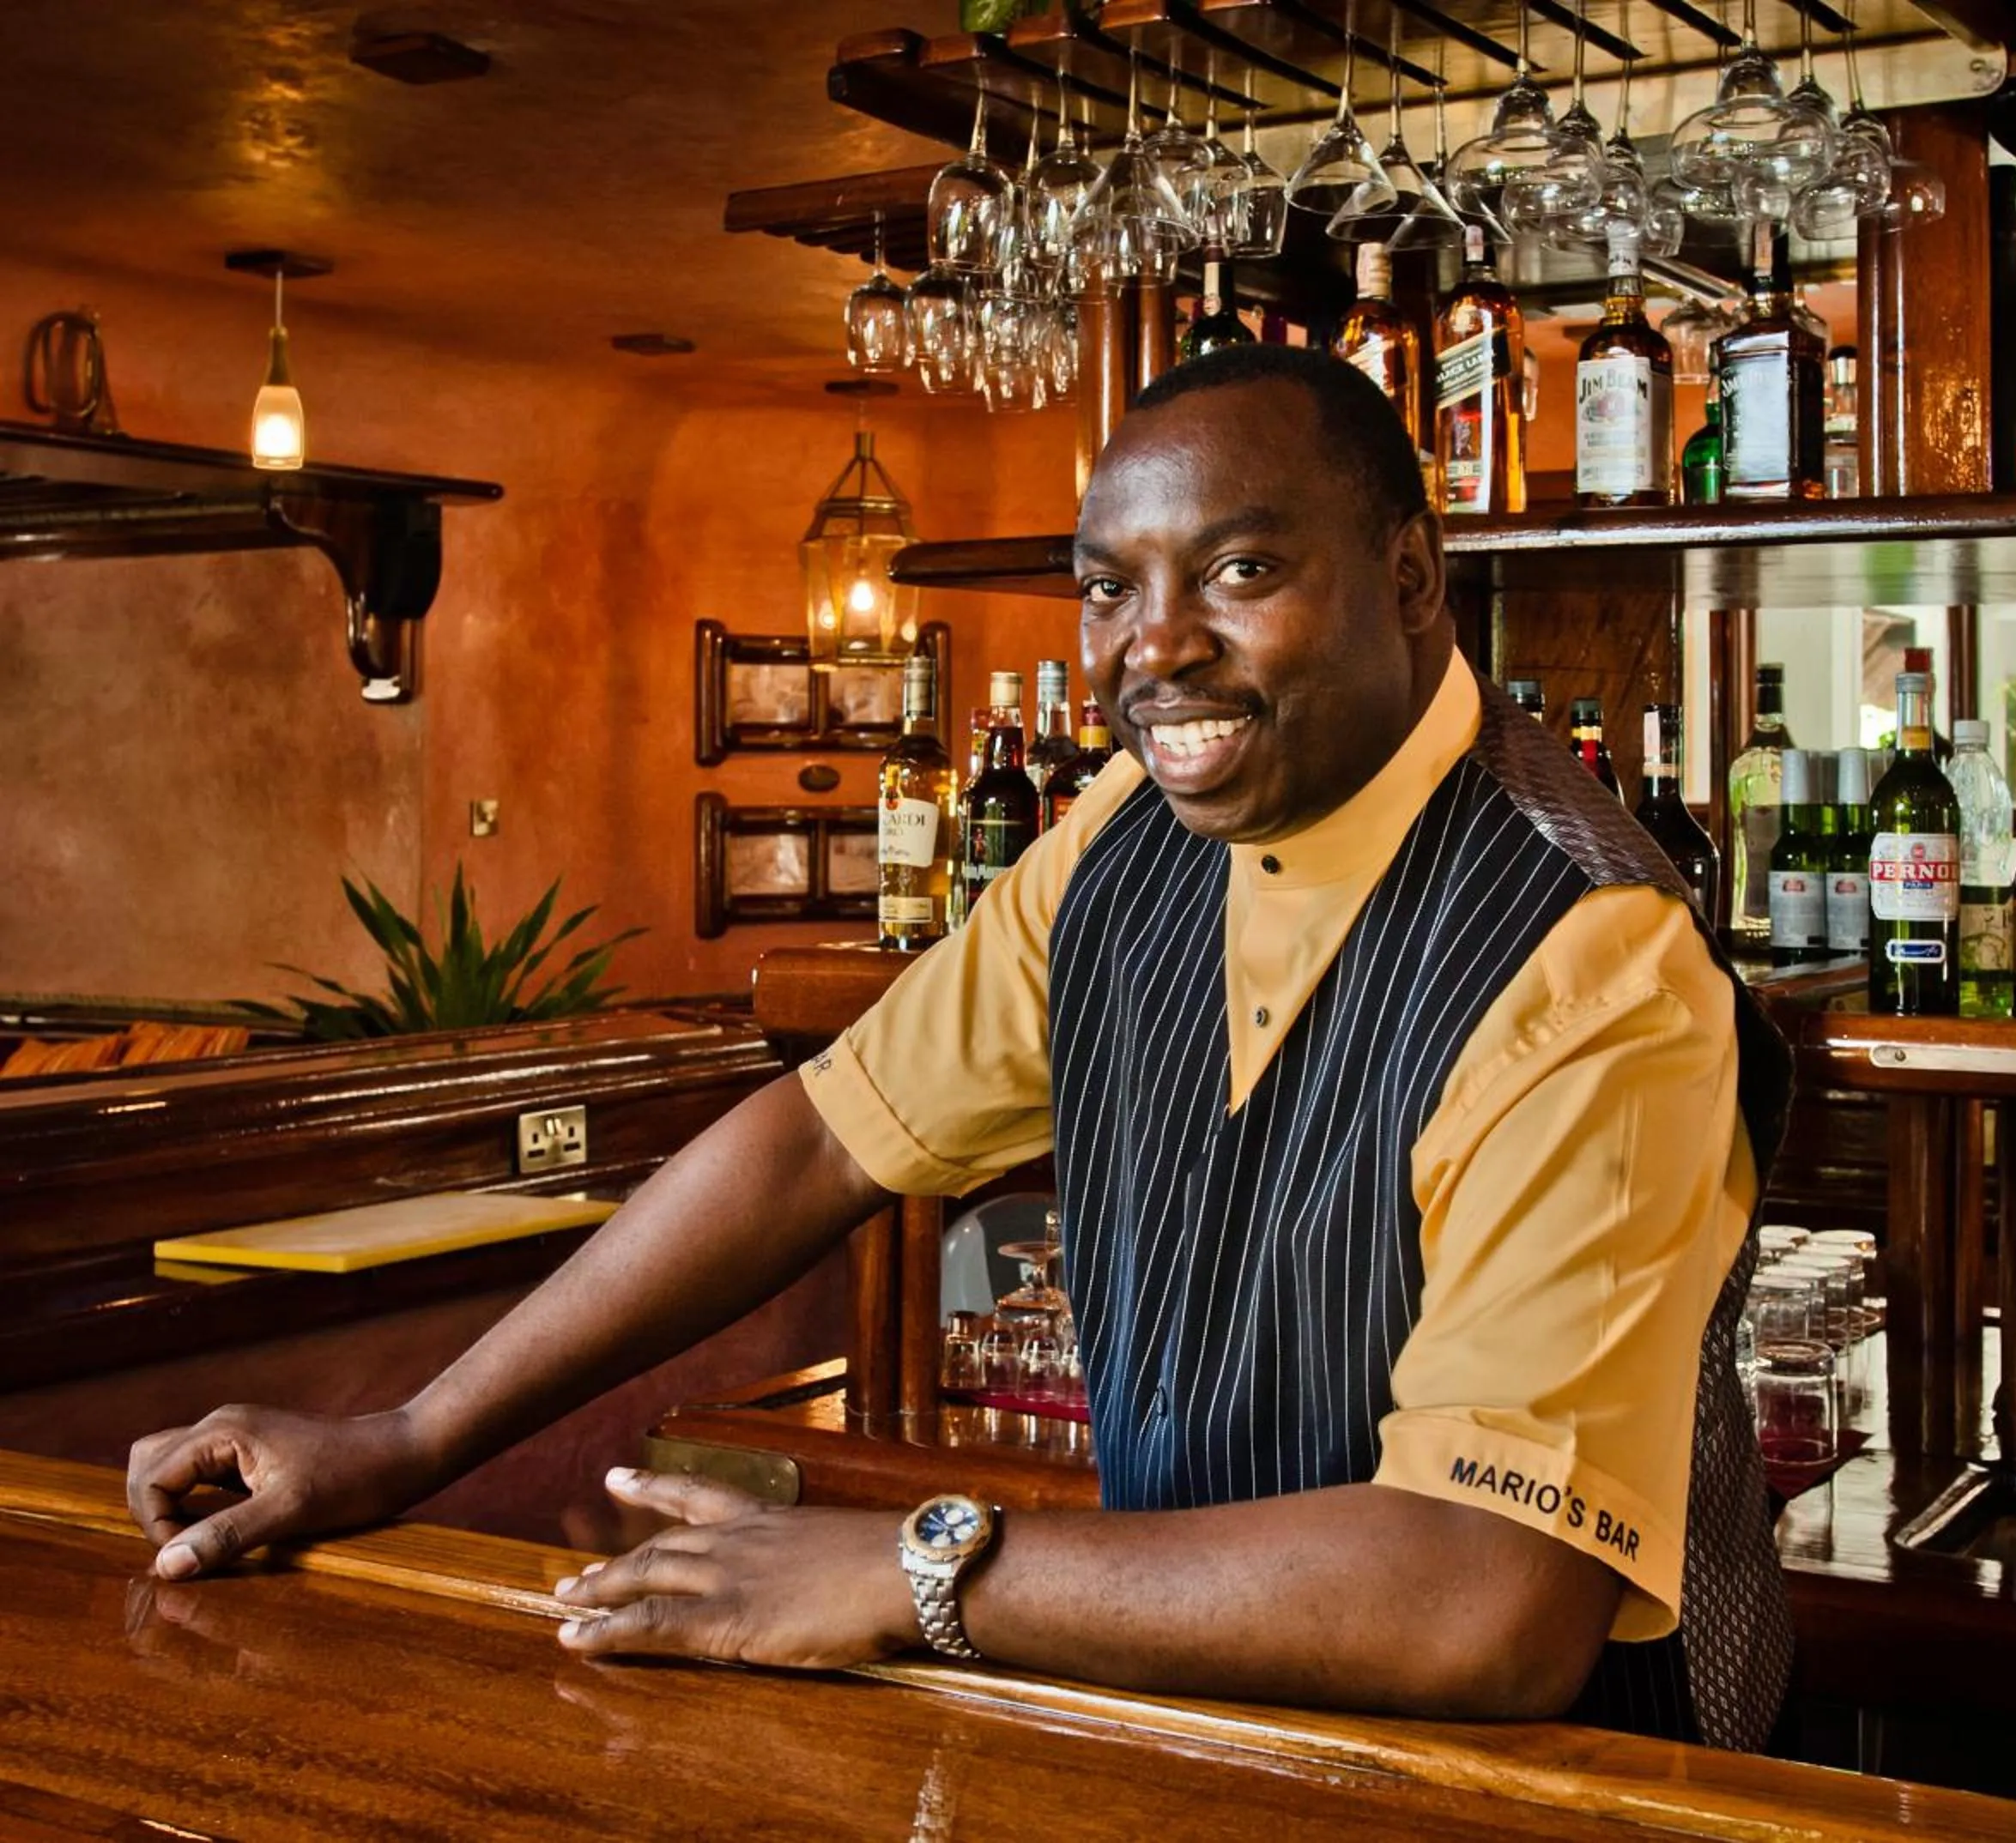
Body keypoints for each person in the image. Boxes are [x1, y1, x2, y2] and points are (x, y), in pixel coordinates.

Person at [124, 344, 1795, 1750]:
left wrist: (915, 1570)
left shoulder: (1596, 959)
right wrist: (413, 1438)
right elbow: (825, 1136)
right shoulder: (1127, 838)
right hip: (1202, 1733)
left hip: (1555, 1787)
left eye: (1240, 570)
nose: (1155, 647)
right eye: (1109, 590)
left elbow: (1482, 1601)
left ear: (1412, 576)